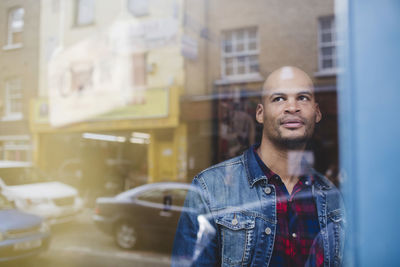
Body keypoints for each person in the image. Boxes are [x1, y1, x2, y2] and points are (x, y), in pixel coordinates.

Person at [172, 66, 345, 267]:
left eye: (303, 98)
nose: (292, 107)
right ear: (260, 114)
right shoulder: (210, 188)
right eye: (279, 98)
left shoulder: (331, 197)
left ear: (317, 113)